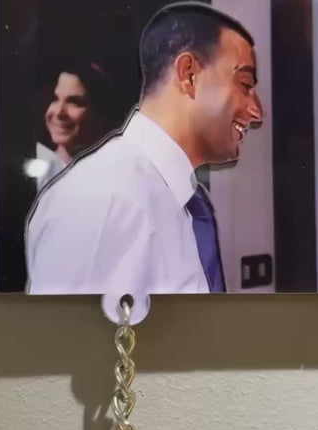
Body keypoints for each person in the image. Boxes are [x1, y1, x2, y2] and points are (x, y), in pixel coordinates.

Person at [26, 2, 264, 295]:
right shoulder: (106, 200)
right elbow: (66, 326)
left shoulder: (178, 199)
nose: (257, 112)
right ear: (189, 74)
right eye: (244, 84)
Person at [33, 61, 114, 192]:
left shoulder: (113, 175)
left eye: (74, 102)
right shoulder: (39, 171)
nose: (59, 112)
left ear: (101, 114)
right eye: (55, 99)